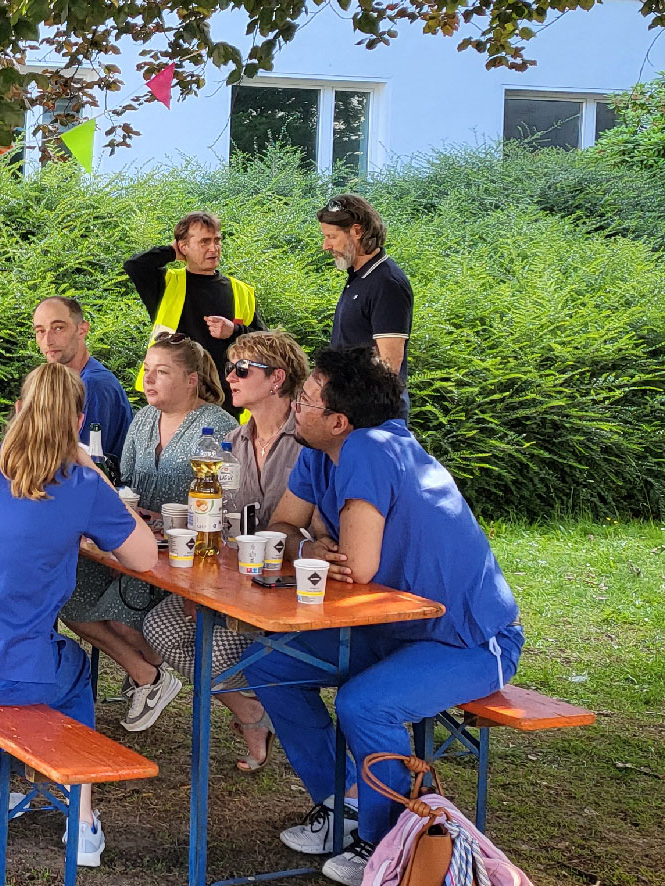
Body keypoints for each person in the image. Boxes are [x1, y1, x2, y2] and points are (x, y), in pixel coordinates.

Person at [243, 345, 524, 886]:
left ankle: (387, 840)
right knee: (269, 663)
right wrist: (310, 542)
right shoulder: (315, 450)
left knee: (365, 705)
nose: (294, 409)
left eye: (304, 401)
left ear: (339, 421)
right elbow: (282, 528)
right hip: (391, 628)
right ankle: (343, 802)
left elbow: (357, 567)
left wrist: (310, 543)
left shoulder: (370, 448)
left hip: (466, 640)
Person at [0, 362, 157, 867]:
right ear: (79, 422)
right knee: (67, 669)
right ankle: (81, 822)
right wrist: (93, 469)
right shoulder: (81, 484)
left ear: (18, 410)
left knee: (5, 657)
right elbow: (145, 557)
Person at [141, 329, 308, 770]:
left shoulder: (309, 438)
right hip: (237, 579)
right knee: (160, 626)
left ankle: (285, 716)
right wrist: (204, 590)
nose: (229, 377)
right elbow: (215, 521)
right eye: (230, 368)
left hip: (290, 585)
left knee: (212, 648)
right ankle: (253, 712)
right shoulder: (231, 440)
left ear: (277, 379)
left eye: (241, 369)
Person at [61, 332, 237, 732]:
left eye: (162, 372)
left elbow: (226, 502)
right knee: (65, 591)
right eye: (146, 371)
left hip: (190, 554)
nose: (149, 380)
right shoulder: (143, 420)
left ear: (192, 380)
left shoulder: (218, 426)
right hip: (132, 547)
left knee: (125, 620)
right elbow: (126, 483)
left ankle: (160, 678)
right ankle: (148, 676)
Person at [124, 211, 265, 414]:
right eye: (204, 242)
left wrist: (234, 330)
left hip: (225, 398)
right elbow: (134, 265)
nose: (214, 248)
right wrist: (171, 252)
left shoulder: (241, 291)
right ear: (183, 247)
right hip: (172, 395)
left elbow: (267, 344)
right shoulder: (166, 283)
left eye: (217, 240)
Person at [316, 195, 414, 420]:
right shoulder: (359, 277)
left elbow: (389, 366)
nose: (326, 246)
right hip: (351, 410)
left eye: (332, 237)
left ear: (357, 231)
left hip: (372, 417)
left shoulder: (387, 283)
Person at [32, 295, 132, 460]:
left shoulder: (94, 385)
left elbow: (83, 465)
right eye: (40, 331)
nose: (47, 340)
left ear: (82, 329)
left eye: (58, 328)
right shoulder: (64, 384)